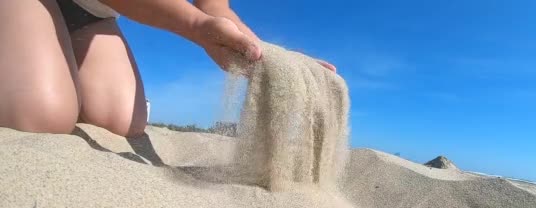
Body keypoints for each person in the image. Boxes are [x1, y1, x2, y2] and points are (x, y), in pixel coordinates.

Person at [0, 0, 336, 138]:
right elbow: (199, 18)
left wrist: (278, 60)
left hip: (93, 14)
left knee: (121, 122)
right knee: (42, 116)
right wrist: (194, 25)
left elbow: (216, 9)